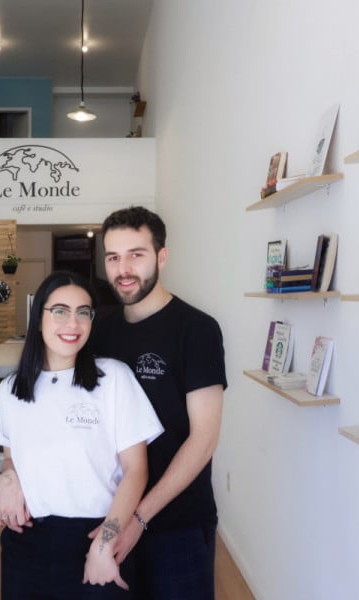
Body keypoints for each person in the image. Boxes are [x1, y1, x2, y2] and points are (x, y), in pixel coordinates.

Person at [0, 271, 163, 600]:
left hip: (95, 535)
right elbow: (11, 455)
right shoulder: (9, 391)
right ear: (38, 317)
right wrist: (7, 477)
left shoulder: (113, 378)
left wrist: (105, 543)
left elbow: (136, 470)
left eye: (83, 312)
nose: (73, 324)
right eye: (60, 311)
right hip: (25, 544)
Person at [91, 206, 227, 599]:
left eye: (137, 254)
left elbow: (203, 439)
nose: (124, 268)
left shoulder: (197, 330)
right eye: (114, 257)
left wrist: (138, 519)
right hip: (111, 518)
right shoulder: (100, 331)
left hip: (177, 524)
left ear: (161, 257)